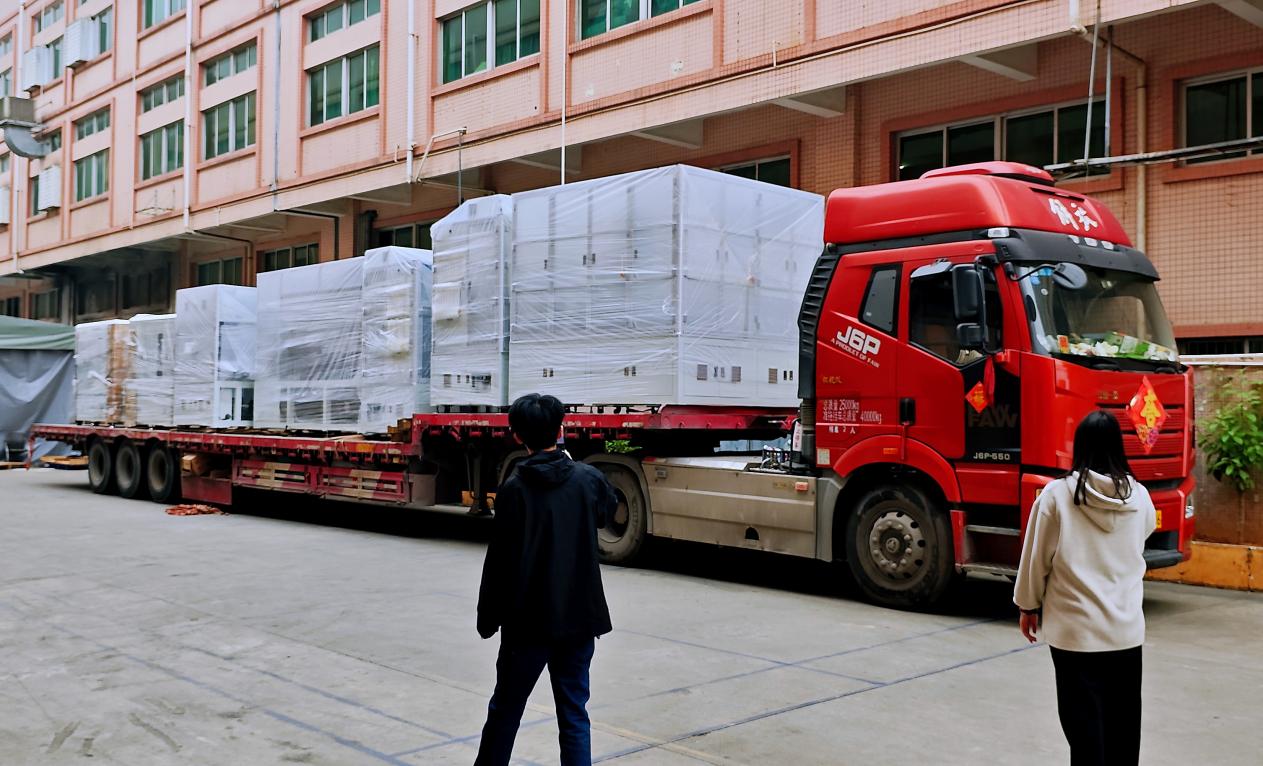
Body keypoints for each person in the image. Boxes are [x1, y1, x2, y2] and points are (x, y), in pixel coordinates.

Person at [474, 393, 616, 766]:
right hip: (577, 620)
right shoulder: (588, 480)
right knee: (573, 713)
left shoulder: (514, 490)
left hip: (527, 624)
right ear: (561, 429)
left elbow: (499, 562)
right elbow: (607, 513)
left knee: (506, 710)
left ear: (517, 435)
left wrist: (488, 619)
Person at [1014, 410, 1157, 766]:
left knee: (1084, 730)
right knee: (1123, 729)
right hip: (1124, 633)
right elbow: (1143, 536)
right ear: (1118, 447)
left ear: (1078, 447)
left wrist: (1028, 605)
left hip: (1075, 635)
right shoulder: (1140, 497)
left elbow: (1036, 558)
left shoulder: (1057, 496)